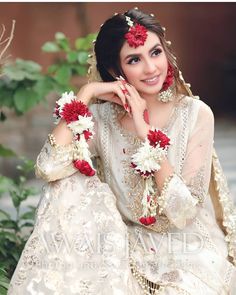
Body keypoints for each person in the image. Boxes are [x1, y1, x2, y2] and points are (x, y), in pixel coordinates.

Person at [8, 8, 236, 295]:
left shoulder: (195, 114)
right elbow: (49, 167)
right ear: (117, 71)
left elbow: (184, 212)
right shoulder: (104, 119)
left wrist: (144, 131)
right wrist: (87, 93)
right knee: (68, 183)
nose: (151, 68)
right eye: (134, 60)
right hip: (122, 243)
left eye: (155, 53)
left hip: (188, 248)